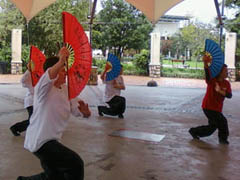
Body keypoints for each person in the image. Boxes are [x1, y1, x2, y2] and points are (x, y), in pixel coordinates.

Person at [17, 47, 91, 180]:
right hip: (41, 140)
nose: (66, 73)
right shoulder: (43, 89)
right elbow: (48, 76)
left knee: (53, 176)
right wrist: (61, 59)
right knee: (76, 164)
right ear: (54, 72)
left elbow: (76, 109)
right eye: (63, 70)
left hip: (53, 139)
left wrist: (84, 113)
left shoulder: (66, 90)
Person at [189, 55, 232, 145]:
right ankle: (223, 139)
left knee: (212, 128)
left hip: (217, 108)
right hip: (208, 107)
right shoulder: (212, 81)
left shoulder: (226, 83)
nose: (227, 73)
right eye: (225, 71)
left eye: (227, 71)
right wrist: (205, 63)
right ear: (219, 72)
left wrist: (220, 91)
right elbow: (207, 73)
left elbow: (229, 95)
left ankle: (194, 131)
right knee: (222, 122)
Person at [10, 63, 33, 136]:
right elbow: (23, 81)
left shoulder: (40, 75)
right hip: (31, 102)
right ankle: (16, 128)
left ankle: (16, 128)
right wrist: (29, 70)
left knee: (36, 120)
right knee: (33, 120)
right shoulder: (30, 75)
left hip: (38, 102)